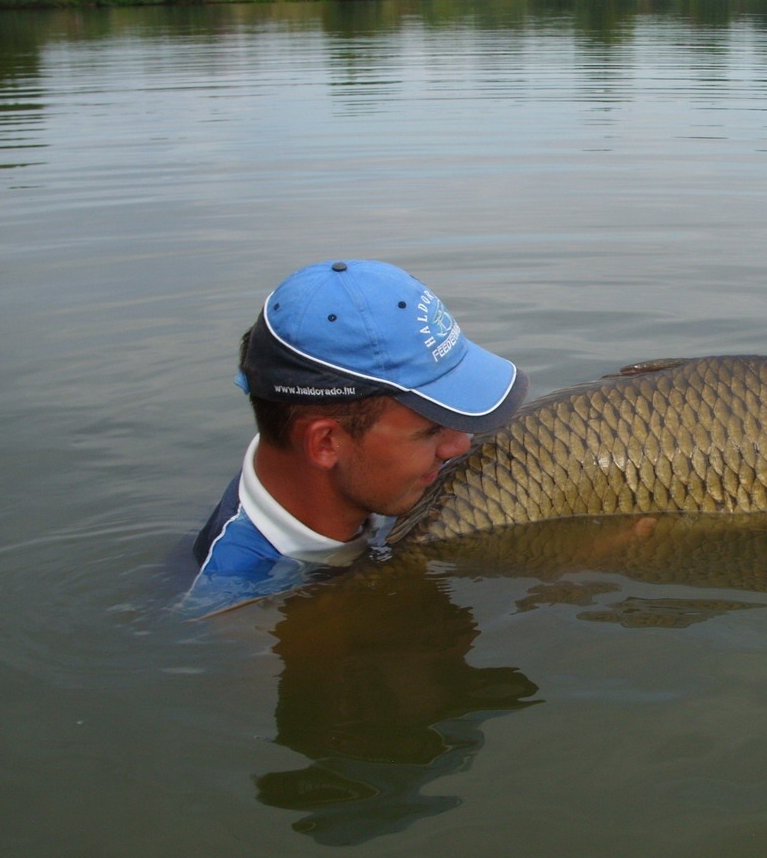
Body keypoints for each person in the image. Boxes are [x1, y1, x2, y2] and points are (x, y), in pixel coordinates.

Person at [183, 259, 528, 616]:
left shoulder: (354, 481)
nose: (461, 445)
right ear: (325, 444)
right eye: (432, 429)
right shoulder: (242, 600)